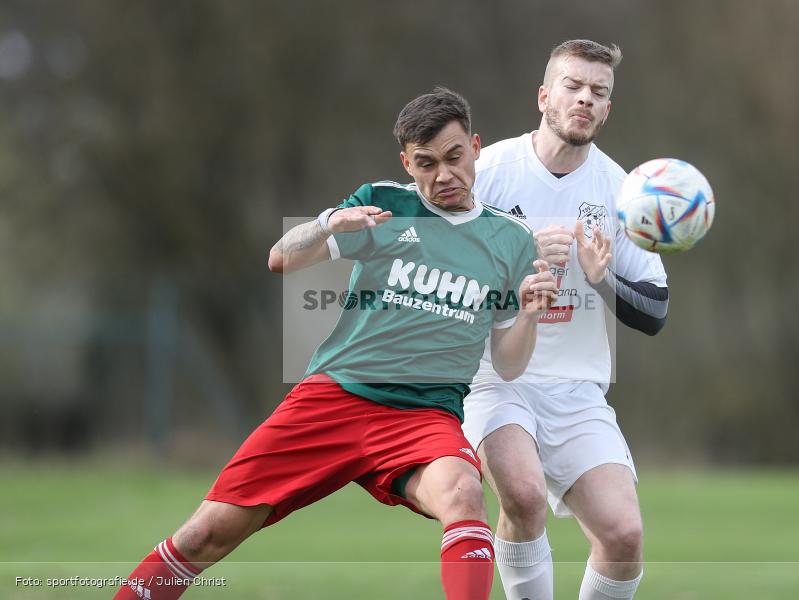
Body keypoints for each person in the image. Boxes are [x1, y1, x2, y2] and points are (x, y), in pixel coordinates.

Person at [113, 87, 559, 600]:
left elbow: (507, 364)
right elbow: (281, 259)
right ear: (406, 164)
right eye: (426, 163)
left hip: (425, 416)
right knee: (204, 535)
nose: (443, 175)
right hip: (333, 399)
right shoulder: (384, 204)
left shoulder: (512, 240)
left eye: (454, 157)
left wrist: (529, 316)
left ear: (476, 147)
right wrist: (327, 223)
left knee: (463, 492)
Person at [461, 40, 670, 600]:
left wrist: (601, 278)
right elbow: (433, 256)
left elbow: (655, 311)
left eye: (598, 92)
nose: (585, 99)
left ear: (608, 108)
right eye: (573, 87)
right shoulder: (488, 172)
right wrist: (515, 248)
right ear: (543, 96)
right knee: (523, 498)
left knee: (623, 535)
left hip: (577, 391)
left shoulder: (620, 190)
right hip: (495, 379)